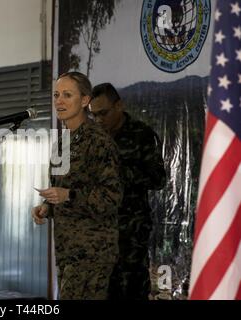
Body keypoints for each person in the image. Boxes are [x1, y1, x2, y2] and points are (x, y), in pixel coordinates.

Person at [31, 72, 123, 300]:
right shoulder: (61, 142)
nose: (59, 101)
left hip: (92, 251)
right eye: (56, 95)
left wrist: (68, 196)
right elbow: (61, 189)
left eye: (67, 95)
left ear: (84, 100)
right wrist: (47, 206)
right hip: (67, 249)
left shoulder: (99, 141)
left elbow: (112, 198)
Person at [89, 83, 166, 300]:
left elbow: (158, 179)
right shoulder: (94, 138)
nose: (99, 120)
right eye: (94, 115)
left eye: (103, 113)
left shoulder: (142, 135)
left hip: (131, 231)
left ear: (119, 106)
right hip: (100, 231)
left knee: (133, 290)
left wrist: (120, 172)